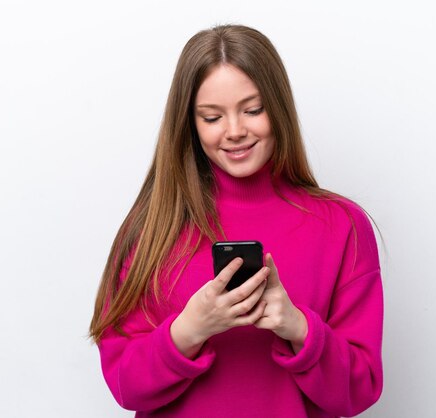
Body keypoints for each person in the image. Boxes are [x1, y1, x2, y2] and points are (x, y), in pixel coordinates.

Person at [89, 24, 383, 418]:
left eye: (253, 110)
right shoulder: (151, 228)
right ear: (190, 124)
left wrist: (298, 328)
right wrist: (190, 329)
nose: (235, 131)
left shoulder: (342, 226)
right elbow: (126, 387)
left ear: (278, 108)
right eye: (212, 117)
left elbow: (360, 390)